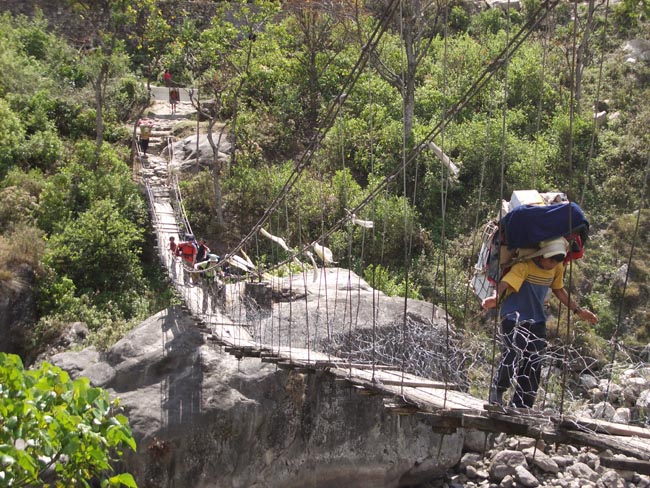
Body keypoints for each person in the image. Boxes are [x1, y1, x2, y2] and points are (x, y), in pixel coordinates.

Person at [481, 237, 598, 409]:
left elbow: (559, 290)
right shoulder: (524, 266)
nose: (552, 264)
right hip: (514, 316)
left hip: (536, 319)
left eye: (556, 261)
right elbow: (506, 283)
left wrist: (578, 311)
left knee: (534, 360)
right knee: (513, 352)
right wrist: (495, 298)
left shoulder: (556, 267)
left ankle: (523, 403)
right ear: (542, 254)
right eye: (550, 260)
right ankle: (497, 391)